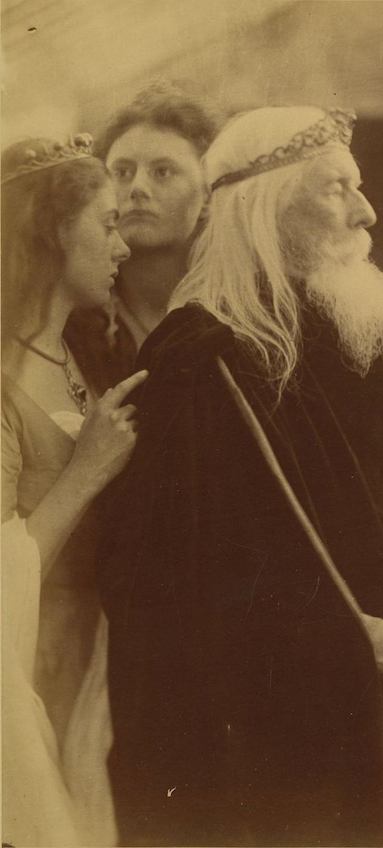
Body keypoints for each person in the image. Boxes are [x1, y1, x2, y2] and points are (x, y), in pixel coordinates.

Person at [98, 106, 383, 847]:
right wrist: (358, 642)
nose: (366, 213)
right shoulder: (198, 364)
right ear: (264, 208)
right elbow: (162, 595)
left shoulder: (375, 354)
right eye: (337, 189)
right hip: (267, 771)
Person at [1, 135, 147, 845]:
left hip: (98, 669)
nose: (123, 246)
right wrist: (87, 468)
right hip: (29, 679)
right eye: (109, 224)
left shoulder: (84, 353)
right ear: (57, 231)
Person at [63, 80, 219, 395]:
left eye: (163, 172)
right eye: (122, 172)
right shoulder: (73, 321)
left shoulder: (232, 312)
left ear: (207, 193)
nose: (137, 188)